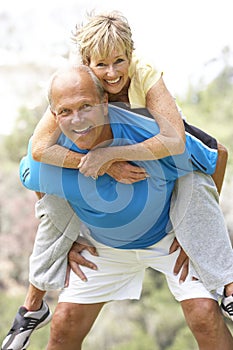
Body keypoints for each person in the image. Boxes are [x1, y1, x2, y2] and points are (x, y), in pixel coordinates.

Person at [2, 10, 233, 350]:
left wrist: (194, 233)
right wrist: (70, 232)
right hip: (105, 238)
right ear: (85, 63)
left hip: (166, 221)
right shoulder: (75, 89)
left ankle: (227, 285)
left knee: (203, 312)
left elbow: (196, 148)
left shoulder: (144, 75)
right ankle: (32, 308)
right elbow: (38, 155)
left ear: (130, 56)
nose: (112, 74)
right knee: (64, 322)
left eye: (119, 61)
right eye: (101, 65)